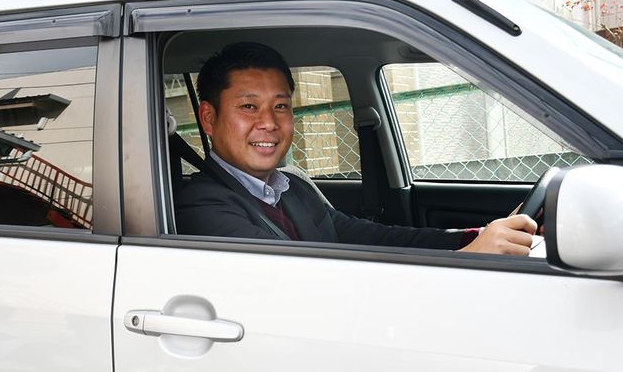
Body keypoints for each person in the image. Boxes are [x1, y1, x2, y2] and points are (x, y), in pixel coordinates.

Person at [175, 42, 537, 255]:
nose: (269, 122)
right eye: (248, 106)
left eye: (280, 105)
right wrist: (468, 258)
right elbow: (302, 286)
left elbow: (370, 237)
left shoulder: (293, 186)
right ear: (209, 118)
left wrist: (475, 236)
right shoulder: (200, 208)